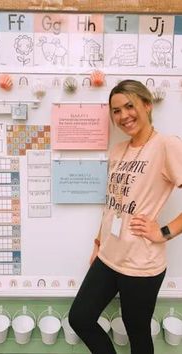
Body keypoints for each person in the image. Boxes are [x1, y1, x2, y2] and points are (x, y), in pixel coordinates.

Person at [69, 79, 182, 354]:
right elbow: (111, 204)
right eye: (116, 111)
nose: (123, 116)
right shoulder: (118, 150)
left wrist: (163, 231)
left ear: (147, 105)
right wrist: (98, 244)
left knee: (137, 333)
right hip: (109, 256)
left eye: (129, 106)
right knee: (80, 318)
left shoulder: (166, 145)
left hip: (142, 263)